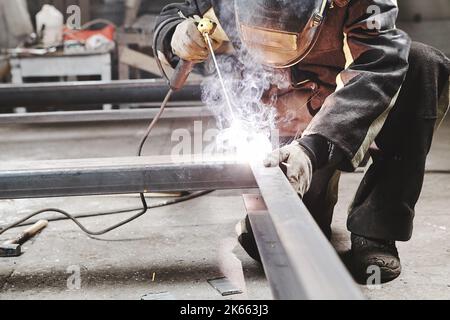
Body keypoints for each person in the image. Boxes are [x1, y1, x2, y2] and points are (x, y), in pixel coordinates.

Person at [155, 0, 450, 283]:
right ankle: (304, 209)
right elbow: (175, 13)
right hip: (285, 112)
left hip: (345, 105)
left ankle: (375, 230)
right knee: (283, 241)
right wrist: (174, 34)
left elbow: (379, 64)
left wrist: (312, 149)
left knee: (420, 63)